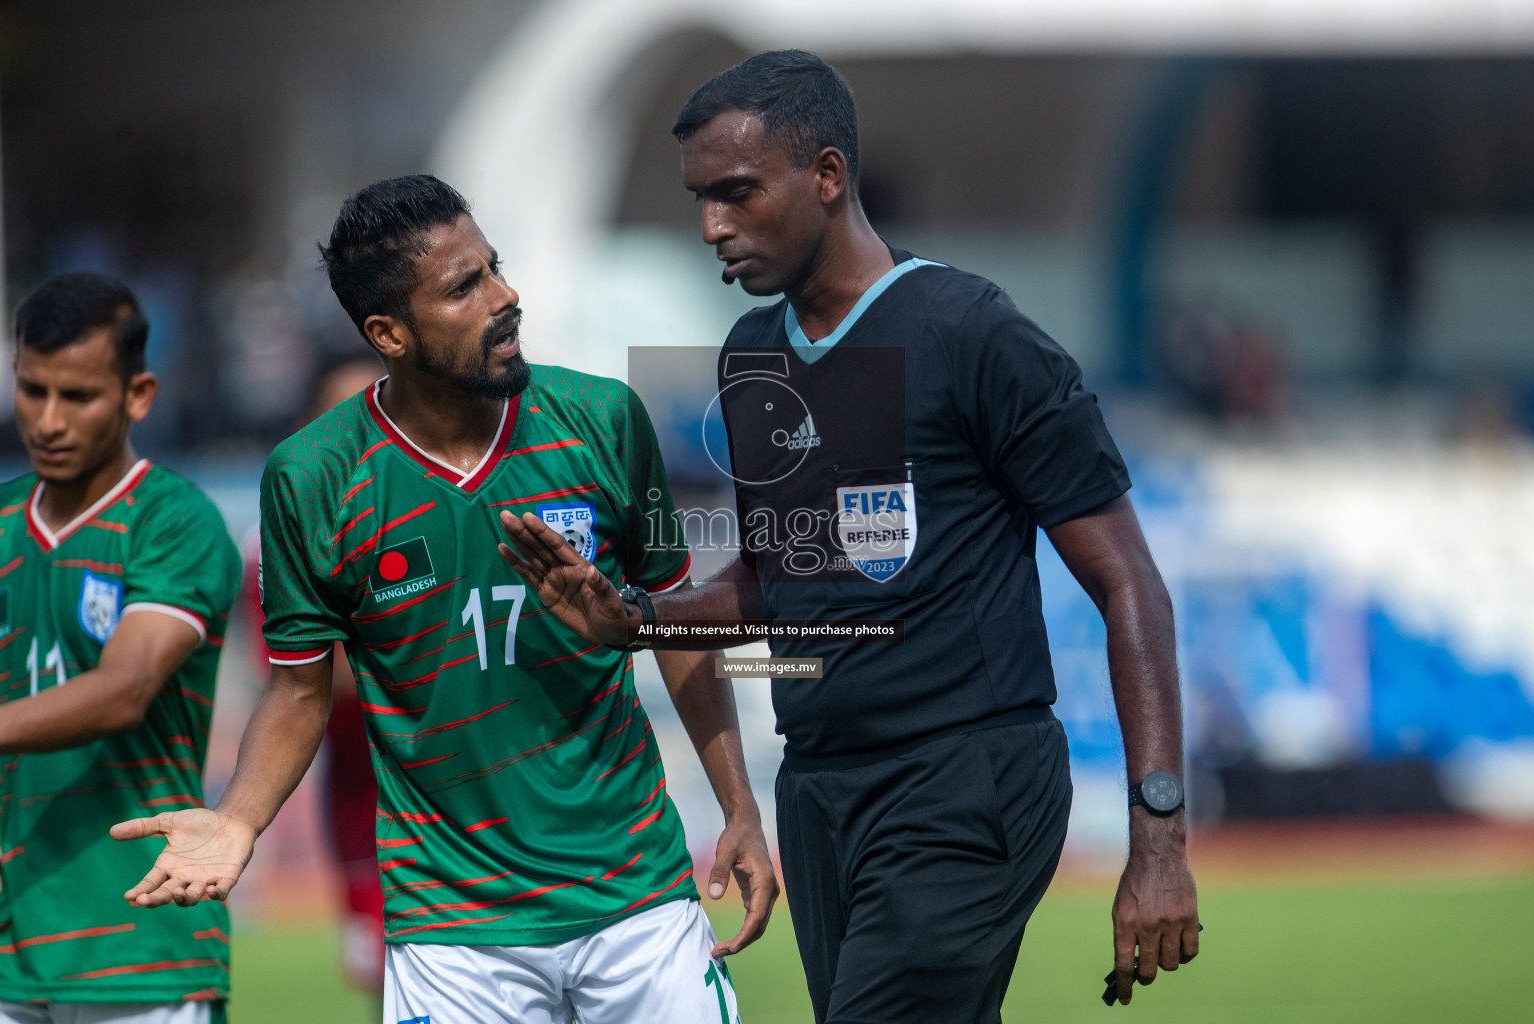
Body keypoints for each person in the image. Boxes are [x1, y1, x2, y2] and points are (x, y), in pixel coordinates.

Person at [498, 50, 1200, 1022]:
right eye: (701, 199)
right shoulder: (752, 358)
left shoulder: (971, 332)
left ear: (827, 176)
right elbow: (773, 579)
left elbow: (1131, 583)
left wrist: (1158, 837)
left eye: (738, 194)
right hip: (821, 788)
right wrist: (636, 618)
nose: (713, 226)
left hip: (964, 777)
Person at [112, 175, 776, 1024]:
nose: (507, 297)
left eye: (493, 268)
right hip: (451, 931)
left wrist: (739, 806)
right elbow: (298, 686)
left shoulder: (603, 418)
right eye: (465, 287)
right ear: (388, 332)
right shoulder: (313, 477)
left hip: (635, 897)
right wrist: (240, 821)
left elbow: (676, 620)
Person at [0, 272, 241, 1024]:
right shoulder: (1, 523)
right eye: (32, 391)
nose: (47, 420)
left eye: (78, 397)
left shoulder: (174, 520)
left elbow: (124, 687)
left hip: (142, 947)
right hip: (11, 951)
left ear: (139, 395)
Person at [236, 353, 387, 997]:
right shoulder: (273, 541)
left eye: (375, 413)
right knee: (393, 991)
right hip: (372, 813)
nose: (359, 436)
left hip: (497, 803)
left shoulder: (467, 502)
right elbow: (307, 679)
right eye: (337, 417)